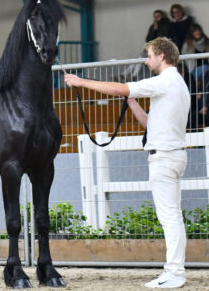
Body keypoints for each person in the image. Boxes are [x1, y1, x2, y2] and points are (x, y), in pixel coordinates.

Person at [65, 37, 189, 289]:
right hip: (171, 154)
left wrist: (81, 82)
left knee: (170, 218)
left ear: (161, 57)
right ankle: (175, 270)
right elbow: (148, 123)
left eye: (150, 55)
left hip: (164, 158)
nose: (147, 60)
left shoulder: (163, 81)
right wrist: (132, 103)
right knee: (172, 216)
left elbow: (119, 88)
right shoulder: (176, 83)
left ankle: (174, 272)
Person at [119, 10, 170, 80]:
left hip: (160, 50)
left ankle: (128, 74)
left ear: (162, 16)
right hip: (153, 49)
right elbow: (148, 39)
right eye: (155, 17)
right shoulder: (154, 26)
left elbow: (163, 37)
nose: (157, 18)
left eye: (158, 16)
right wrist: (154, 30)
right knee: (140, 57)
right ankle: (130, 75)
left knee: (141, 57)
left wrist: (156, 30)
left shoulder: (166, 24)